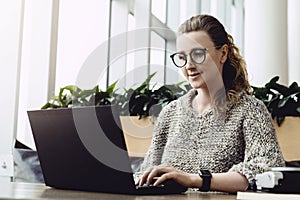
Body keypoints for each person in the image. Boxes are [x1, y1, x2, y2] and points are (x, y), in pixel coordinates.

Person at [134, 14, 285, 193]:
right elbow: (145, 173)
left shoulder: (250, 110)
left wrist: (193, 180)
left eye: (198, 54)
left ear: (223, 53)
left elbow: (266, 169)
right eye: (182, 57)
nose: (188, 65)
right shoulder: (170, 113)